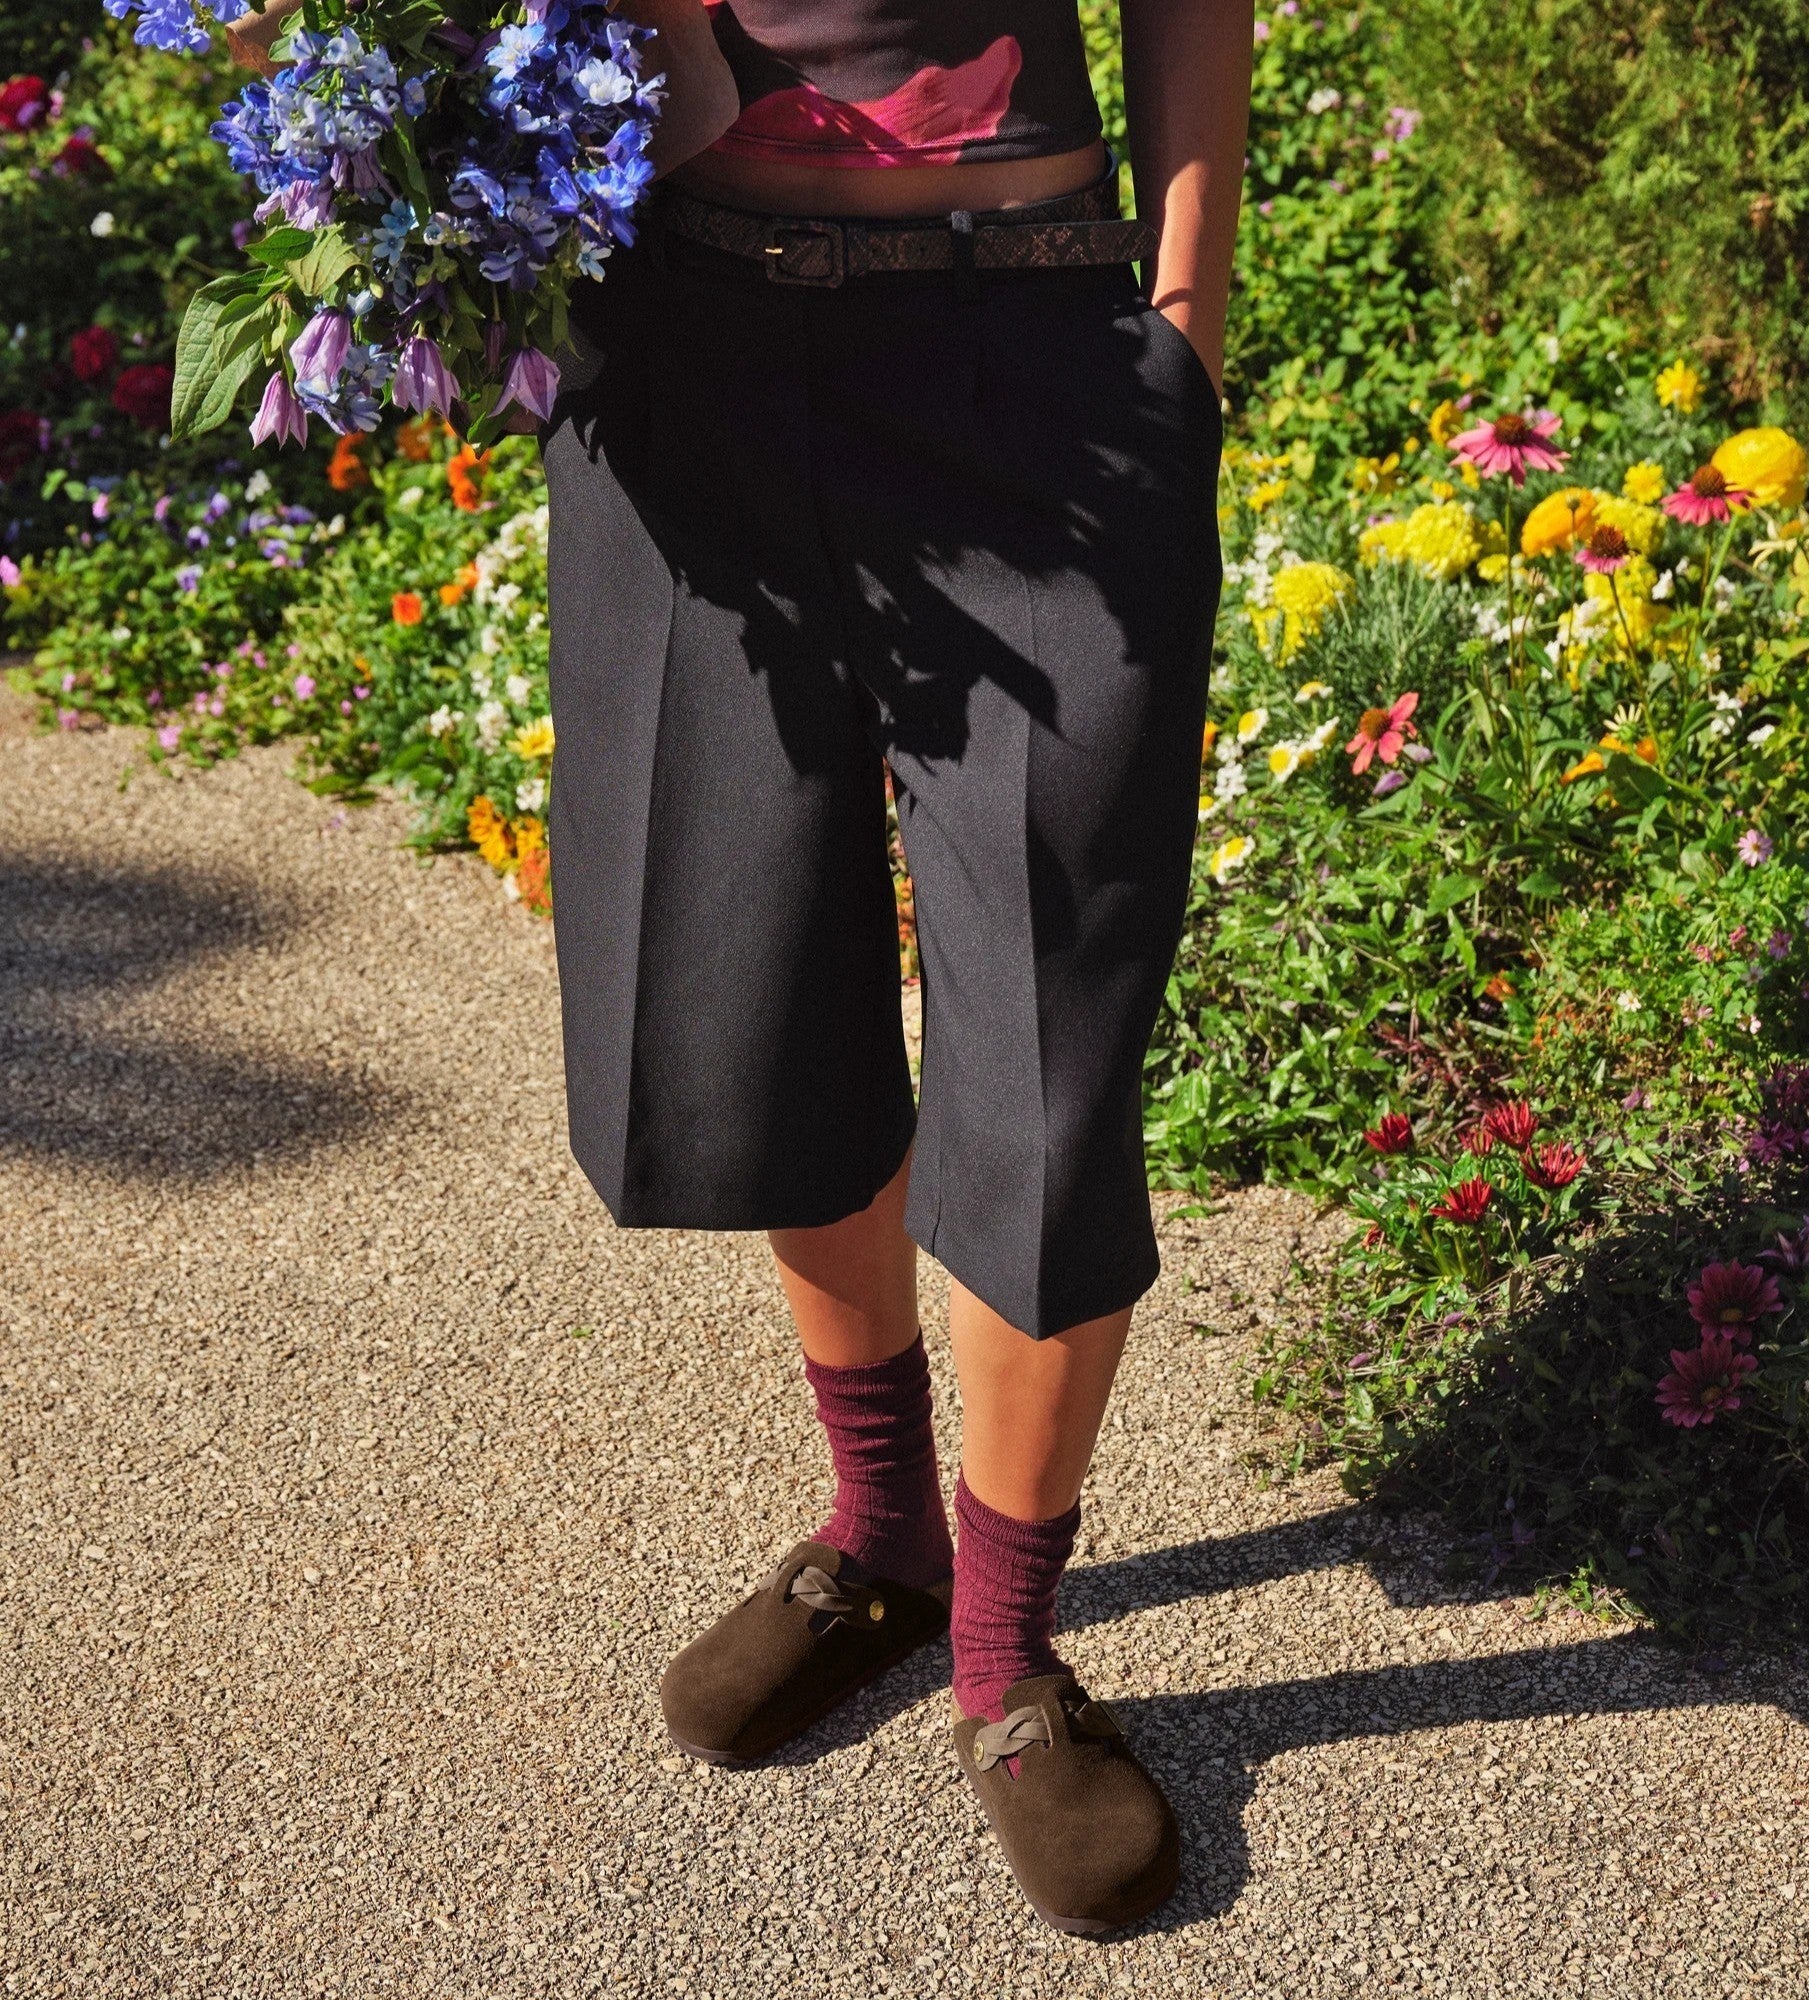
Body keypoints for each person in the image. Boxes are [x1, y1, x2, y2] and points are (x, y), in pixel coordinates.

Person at [542, 0, 1251, 1934]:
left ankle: (1006, 1650)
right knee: (747, 980)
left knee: (1048, 1031)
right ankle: (883, 1541)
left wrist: (1182, 329)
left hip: (1031, 363)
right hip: (687, 354)